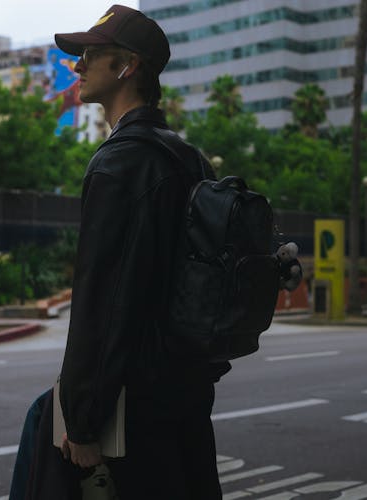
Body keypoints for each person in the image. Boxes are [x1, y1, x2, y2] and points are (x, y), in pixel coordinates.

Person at [52, 4, 230, 499]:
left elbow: (104, 302)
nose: (78, 66)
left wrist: (85, 421)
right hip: (189, 390)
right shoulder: (191, 159)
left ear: (127, 66)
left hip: (134, 406)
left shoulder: (118, 164)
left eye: (91, 55)